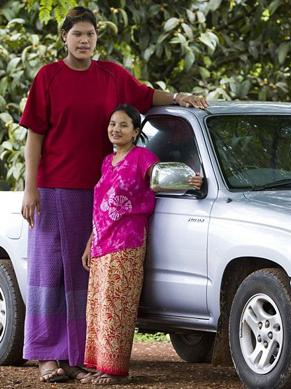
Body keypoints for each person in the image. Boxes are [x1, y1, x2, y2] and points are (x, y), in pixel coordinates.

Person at [19, 6, 207, 384]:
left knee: (84, 277)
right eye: (77, 34)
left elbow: (148, 96)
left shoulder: (112, 76)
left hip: (103, 193)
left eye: (90, 34)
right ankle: (47, 356)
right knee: (50, 272)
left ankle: (77, 356)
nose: (84, 41)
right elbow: (34, 135)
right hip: (54, 189)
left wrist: (181, 97)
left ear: (96, 39)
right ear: (64, 38)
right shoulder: (48, 77)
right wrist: (30, 189)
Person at [80, 104, 201, 385]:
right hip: (100, 243)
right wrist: (89, 242)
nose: (115, 129)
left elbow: (164, 176)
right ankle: (99, 366)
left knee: (117, 307)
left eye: (123, 125)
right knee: (97, 306)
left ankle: (114, 371)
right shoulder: (106, 162)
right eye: (112, 124)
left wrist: (192, 180)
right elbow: (100, 207)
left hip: (127, 242)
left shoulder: (142, 158)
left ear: (135, 131)